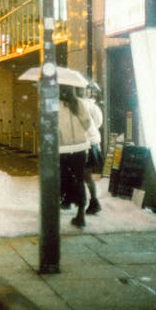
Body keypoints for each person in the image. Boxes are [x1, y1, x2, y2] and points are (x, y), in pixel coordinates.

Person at [58, 84, 91, 228]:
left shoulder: (54, 104)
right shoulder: (79, 103)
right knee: (79, 178)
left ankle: (67, 200)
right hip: (79, 148)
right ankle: (81, 214)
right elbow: (87, 123)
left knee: (64, 177)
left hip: (62, 149)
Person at [80, 87, 103, 215]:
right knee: (85, 175)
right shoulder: (93, 106)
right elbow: (99, 123)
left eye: (87, 90)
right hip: (89, 142)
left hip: (86, 143)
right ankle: (92, 201)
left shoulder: (86, 106)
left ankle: (92, 202)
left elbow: (97, 123)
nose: (85, 92)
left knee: (84, 175)